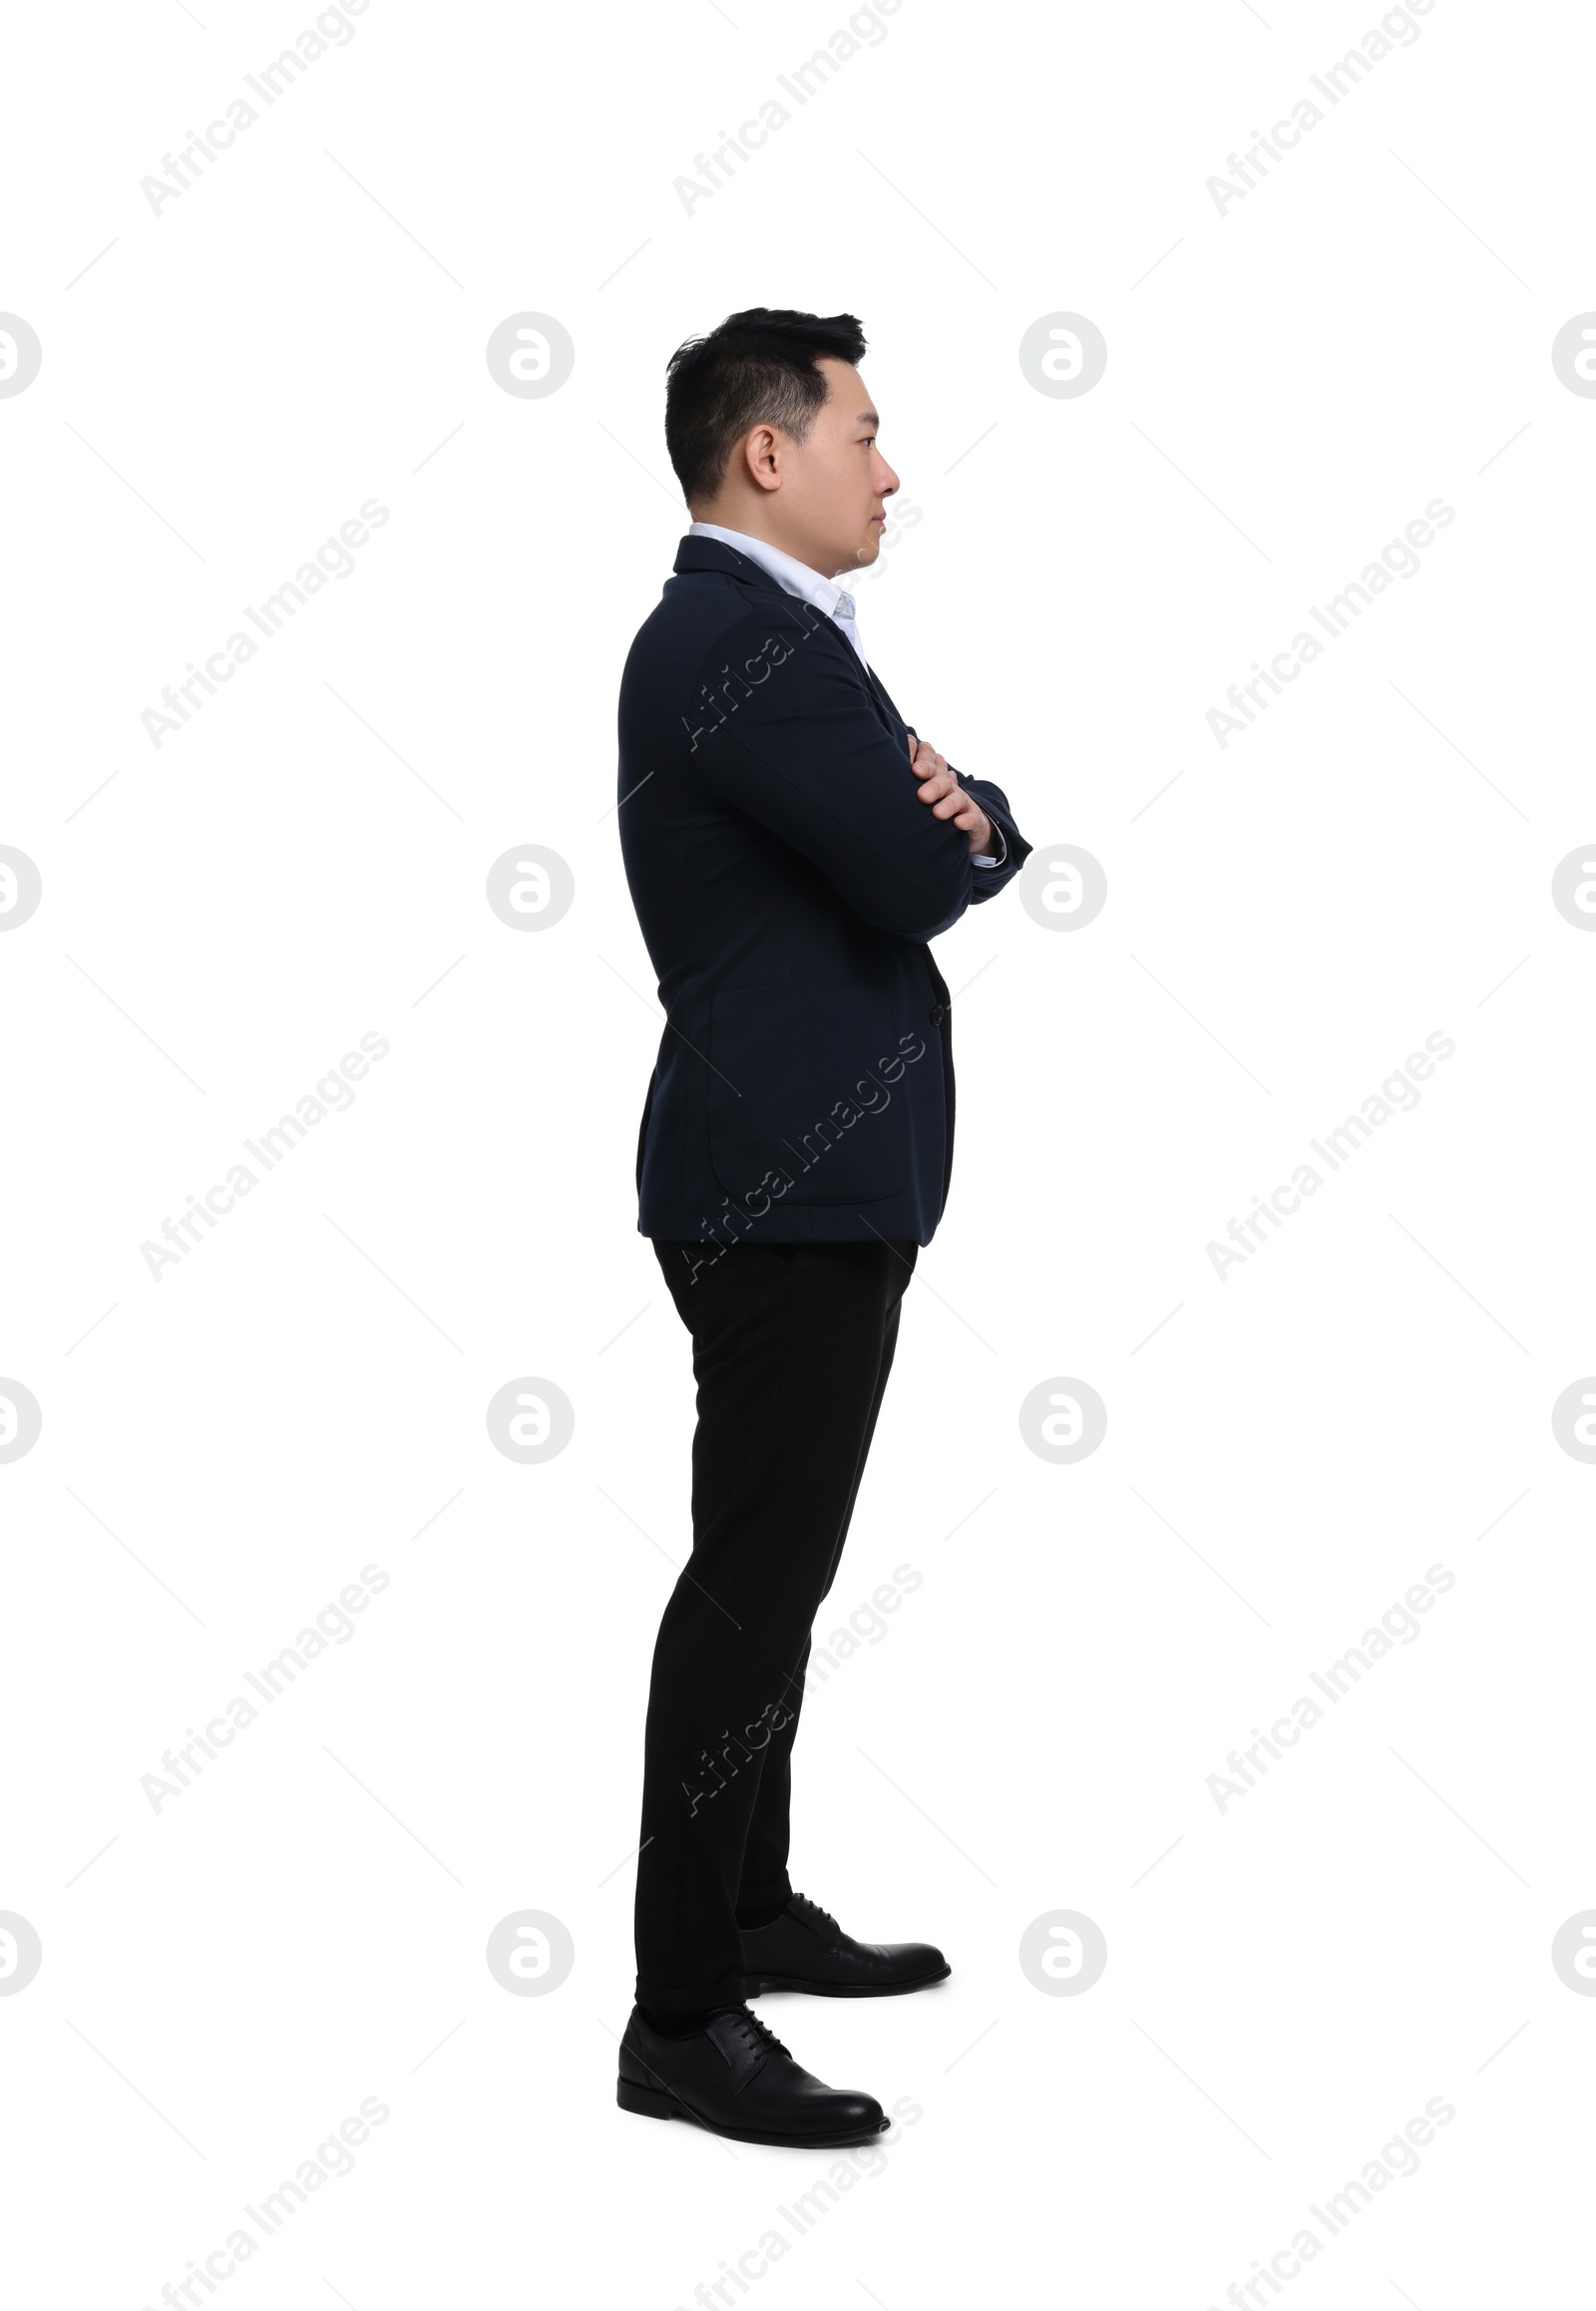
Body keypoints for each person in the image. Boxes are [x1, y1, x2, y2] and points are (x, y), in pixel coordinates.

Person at [612, 307, 1030, 2147]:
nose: (891, 463)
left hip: (813, 1176)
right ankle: (684, 2009)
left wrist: (969, 813)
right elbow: (920, 860)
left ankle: (753, 1905)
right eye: (863, 429)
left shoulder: (776, 641)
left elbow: (967, 821)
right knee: (748, 1592)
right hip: (783, 1188)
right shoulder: (743, 647)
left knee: (772, 1581)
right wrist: (957, 822)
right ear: (764, 452)